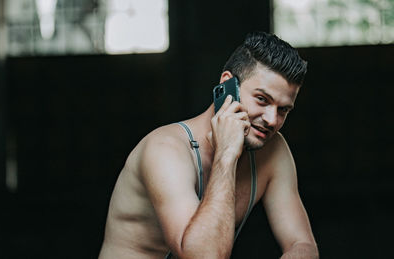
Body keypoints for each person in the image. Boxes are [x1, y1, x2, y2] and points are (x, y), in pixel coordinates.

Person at [99, 31, 319, 259]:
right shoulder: (165, 149)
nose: (272, 120)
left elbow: (302, 244)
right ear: (227, 85)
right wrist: (226, 154)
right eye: (262, 100)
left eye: (283, 110)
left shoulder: (273, 151)